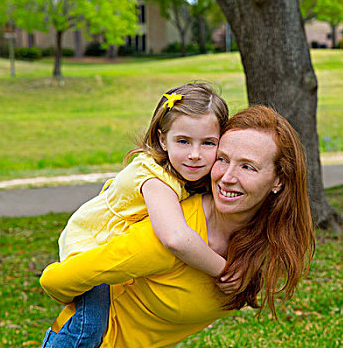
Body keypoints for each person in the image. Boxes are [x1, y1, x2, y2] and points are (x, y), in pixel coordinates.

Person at [40, 105, 316, 347]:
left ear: (279, 180)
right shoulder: (168, 235)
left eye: (248, 167)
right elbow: (55, 280)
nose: (227, 177)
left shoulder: (264, 242)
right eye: (223, 160)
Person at [48, 83, 235, 347]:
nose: (195, 155)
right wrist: (223, 270)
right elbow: (175, 237)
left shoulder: (188, 174)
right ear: (162, 139)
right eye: (183, 141)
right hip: (91, 244)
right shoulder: (155, 179)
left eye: (208, 143)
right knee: (90, 325)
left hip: (118, 246)